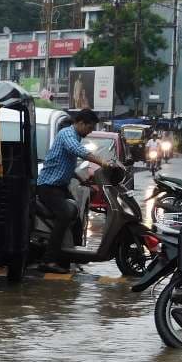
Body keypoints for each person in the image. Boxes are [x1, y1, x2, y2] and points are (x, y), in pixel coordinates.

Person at [36, 108, 114, 274]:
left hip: (60, 187)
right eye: (90, 128)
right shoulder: (67, 134)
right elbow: (77, 151)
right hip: (48, 187)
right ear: (80, 123)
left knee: (76, 217)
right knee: (64, 215)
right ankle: (48, 261)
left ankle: (71, 256)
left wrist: (80, 178)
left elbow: (63, 163)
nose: (90, 131)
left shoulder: (76, 135)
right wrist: (103, 162)